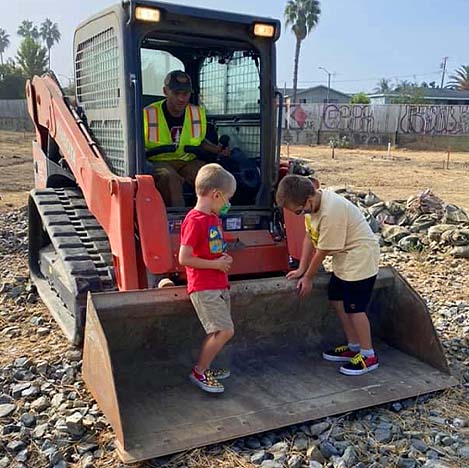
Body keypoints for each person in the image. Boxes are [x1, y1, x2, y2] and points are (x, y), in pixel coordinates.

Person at [276, 175, 380, 376]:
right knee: (337, 298)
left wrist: (308, 277)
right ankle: (354, 346)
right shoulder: (312, 207)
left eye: (299, 211)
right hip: (345, 259)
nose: (300, 214)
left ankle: (369, 356)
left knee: (355, 308)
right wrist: (301, 269)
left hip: (360, 258)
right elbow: (310, 238)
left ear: (309, 198)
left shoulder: (331, 211)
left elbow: (322, 251)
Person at [178, 163, 237, 392]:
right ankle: (199, 372)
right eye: (227, 198)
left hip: (218, 283)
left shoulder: (213, 218)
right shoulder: (195, 220)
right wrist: (215, 264)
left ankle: (206, 366)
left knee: (219, 331)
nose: (228, 203)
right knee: (225, 330)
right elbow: (184, 257)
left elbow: (208, 249)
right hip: (204, 287)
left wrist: (221, 258)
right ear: (216, 194)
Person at [143, 70, 229, 207]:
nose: (182, 99)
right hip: (158, 161)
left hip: (187, 160)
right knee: (169, 178)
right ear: (165, 91)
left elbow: (199, 141)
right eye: (176, 94)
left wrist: (216, 149)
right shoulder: (148, 114)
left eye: (185, 94)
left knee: (210, 176)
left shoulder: (196, 113)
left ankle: (212, 216)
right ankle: (180, 219)